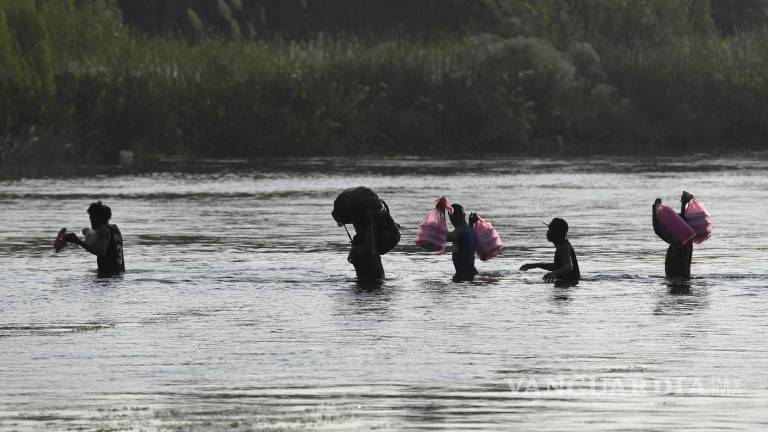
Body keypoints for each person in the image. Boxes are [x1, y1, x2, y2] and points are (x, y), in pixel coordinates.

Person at [64, 201, 125, 275]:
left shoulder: (103, 229)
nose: (90, 220)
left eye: (91, 217)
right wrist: (87, 233)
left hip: (108, 276)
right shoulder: (114, 228)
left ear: (97, 217)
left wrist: (78, 241)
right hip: (119, 274)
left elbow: (100, 252)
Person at [519, 217, 580, 283]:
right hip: (568, 283)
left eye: (550, 229)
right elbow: (558, 266)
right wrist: (536, 265)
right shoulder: (562, 245)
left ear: (557, 232)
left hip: (569, 283)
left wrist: (553, 274)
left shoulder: (563, 247)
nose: (547, 232)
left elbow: (568, 266)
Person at [652, 191, 694, 279]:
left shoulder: (678, 243)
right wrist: (684, 203)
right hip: (684, 280)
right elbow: (683, 222)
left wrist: (655, 210)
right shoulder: (688, 240)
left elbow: (658, 231)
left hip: (677, 282)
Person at [347, 211, 384, 283]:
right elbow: (370, 231)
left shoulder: (354, 252)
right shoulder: (368, 250)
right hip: (374, 282)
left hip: (362, 281)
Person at [446, 203, 478, 282]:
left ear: (455, 217)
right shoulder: (471, 229)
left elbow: (444, 237)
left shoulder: (459, 231)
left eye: (450, 217)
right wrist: (471, 223)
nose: (451, 220)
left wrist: (440, 217)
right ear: (463, 215)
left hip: (463, 275)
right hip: (470, 272)